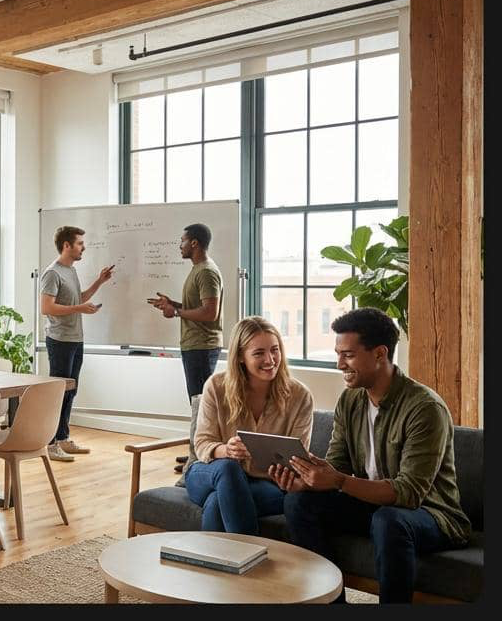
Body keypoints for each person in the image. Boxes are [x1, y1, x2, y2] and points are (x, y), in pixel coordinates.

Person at [271, 308, 470, 603]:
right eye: (338, 354)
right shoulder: (350, 400)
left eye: (348, 355)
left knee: (390, 520)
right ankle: (332, 603)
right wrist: (308, 480)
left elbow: (408, 493)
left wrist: (337, 480)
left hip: (431, 515)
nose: (339, 364)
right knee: (299, 501)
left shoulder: (425, 408)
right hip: (373, 506)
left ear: (379, 354)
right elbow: (337, 464)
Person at [185, 316, 313, 535]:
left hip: (265, 483)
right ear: (241, 357)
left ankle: (218, 566)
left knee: (218, 503)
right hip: (207, 472)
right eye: (259, 353)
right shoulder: (216, 386)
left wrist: (288, 471)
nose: (270, 359)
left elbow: (298, 457)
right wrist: (226, 450)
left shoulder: (299, 396)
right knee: (228, 467)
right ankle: (251, 562)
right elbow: (202, 442)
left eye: (275, 350)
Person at [148, 222, 224, 473]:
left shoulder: (206, 272)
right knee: (196, 402)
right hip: (194, 345)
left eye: (182, 241)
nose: (179, 245)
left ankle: (198, 458)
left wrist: (176, 311)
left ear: (194, 243)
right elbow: (199, 306)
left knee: (200, 403)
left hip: (202, 346)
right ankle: (195, 451)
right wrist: (174, 304)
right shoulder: (198, 270)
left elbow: (210, 312)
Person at [39, 225, 113, 462]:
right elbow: (46, 307)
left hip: (75, 338)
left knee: (71, 392)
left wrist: (99, 282)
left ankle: (62, 438)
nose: (84, 247)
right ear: (66, 246)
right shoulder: (52, 273)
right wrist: (79, 309)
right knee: (59, 392)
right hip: (59, 339)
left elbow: (77, 299)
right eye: (80, 243)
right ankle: (50, 444)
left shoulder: (71, 271)